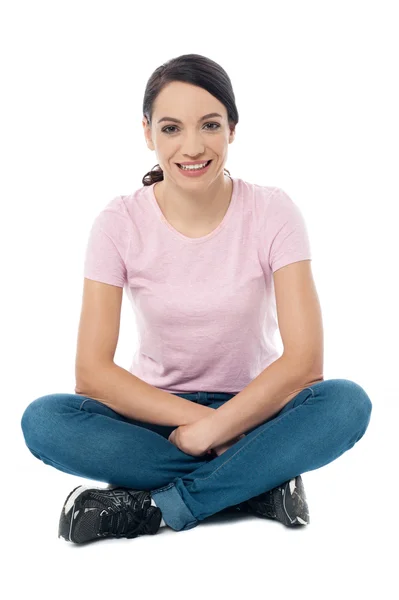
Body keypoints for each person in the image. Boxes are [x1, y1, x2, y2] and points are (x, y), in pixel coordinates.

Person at [20, 53, 373, 545]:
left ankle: (159, 507)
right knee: (45, 420)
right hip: (159, 415)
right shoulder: (118, 223)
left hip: (259, 407)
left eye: (209, 124)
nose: (192, 146)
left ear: (232, 128)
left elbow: (304, 364)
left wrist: (228, 421)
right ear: (147, 133)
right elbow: (92, 374)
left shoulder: (274, 211)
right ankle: (254, 485)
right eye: (171, 128)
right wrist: (205, 425)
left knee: (346, 404)